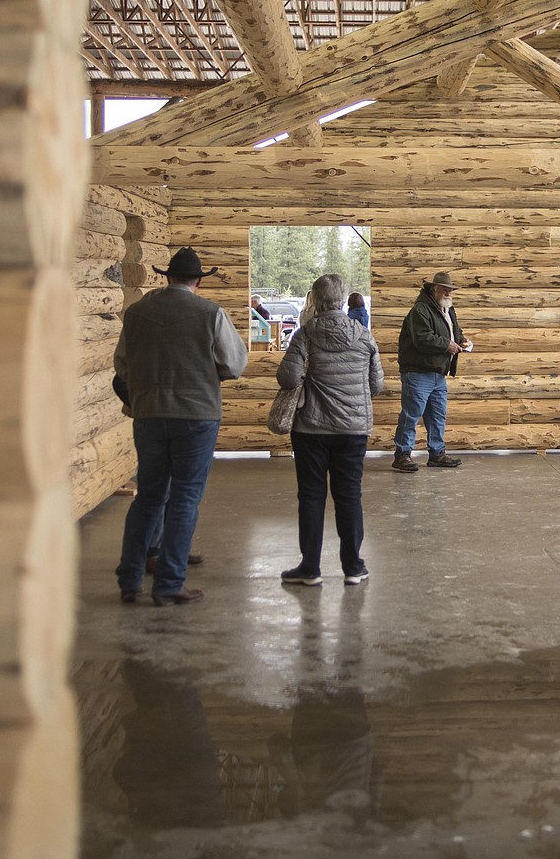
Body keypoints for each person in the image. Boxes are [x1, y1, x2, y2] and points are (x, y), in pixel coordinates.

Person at [113, 246, 248, 607]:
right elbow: (234, 364)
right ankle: (170, 582)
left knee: (149, 495)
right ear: (198, 281)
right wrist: (207, 371)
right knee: (185, 497)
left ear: (167, 276)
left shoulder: (137, 313)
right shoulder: (210, 313)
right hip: (197, 414)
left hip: (149, 413)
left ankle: (129, 577)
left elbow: (122, 365)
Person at [277, 271, 384, 587]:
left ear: (316, 300)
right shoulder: (364, 336)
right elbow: (376, 385)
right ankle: (353, 567)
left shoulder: (305, 335)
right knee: (349, 495)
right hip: (353, 429)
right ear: (342, 299)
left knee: (311, 495)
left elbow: (286, 379)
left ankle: (310, 568)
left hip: (311, 428)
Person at [392, 270, 471, 472]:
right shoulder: (420, 310)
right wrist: (447, 345)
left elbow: (456, 331)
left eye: (451, 290)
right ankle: (402, 455)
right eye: (445, 290)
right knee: (412, 414)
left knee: (437, 415)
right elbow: (422, 338)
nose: (449, 294)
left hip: (437, 372)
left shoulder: (447, 310)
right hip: (418, 372)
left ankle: (437, 454)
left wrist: (462, 341)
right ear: (434, 289)